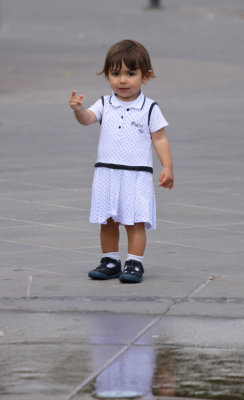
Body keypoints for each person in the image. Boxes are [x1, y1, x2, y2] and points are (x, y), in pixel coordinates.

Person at [69, 39, 174, 283]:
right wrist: (78, 109)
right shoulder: (105, 103)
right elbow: (87, 119)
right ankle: (110, 260)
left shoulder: (149, 108)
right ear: (107, 74)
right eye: (115, 74)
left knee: (135, 221)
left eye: (130, 73)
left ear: (145, 77)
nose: (122, 80)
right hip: (107, 172)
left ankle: (134, 263)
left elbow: (159, 138)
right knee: (107, 220)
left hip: (137, 173)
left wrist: (167, 167)